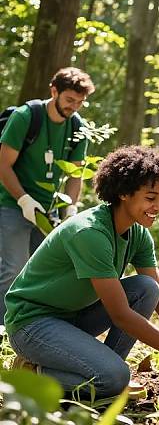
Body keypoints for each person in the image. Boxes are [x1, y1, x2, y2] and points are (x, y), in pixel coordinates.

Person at [5, 146, 159, 398]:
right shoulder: (90, 233)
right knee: (114, 379)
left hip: (71, 318)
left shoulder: (138, 233)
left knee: (147, 288)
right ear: (124, 193)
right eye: (151, 197)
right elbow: (121, 315)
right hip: (33, 324)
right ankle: (31, 375)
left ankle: (104, 370)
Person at [0, 67, 96, 324]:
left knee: (41, 273)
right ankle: (2, 329)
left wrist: (71, 209)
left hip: (48, 210)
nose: (74, 107)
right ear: (54, 91)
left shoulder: (78, 127)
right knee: (13, 269)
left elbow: (75, 175)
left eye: (79, 102)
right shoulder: (25, 117)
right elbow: (3, 165)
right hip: (12, 203)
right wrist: (23, 199)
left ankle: (29, 325)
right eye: (69, 100)